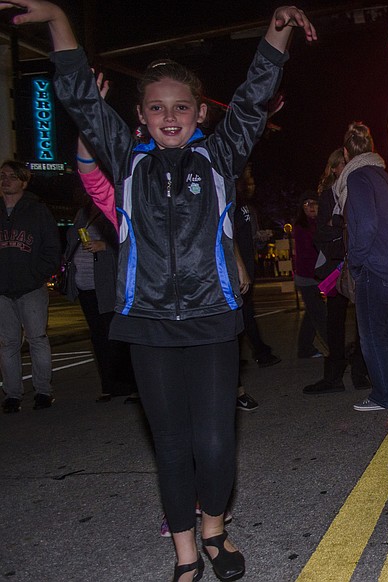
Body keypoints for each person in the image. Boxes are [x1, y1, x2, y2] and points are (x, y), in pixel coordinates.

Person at [11, 2, 317, 581]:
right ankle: (184, 554)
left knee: (216, 442)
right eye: (156, 107)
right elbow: (80, 99)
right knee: (171, 445)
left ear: (199, 112)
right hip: (147, 322)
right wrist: (55, 18)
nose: (169, 116)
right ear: (140, 116)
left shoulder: (220, 156)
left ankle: (214, 530)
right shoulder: (126, 162)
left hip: (212, 317)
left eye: (180, 106)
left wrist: (275, 35)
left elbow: (252, 100)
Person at [335, 122, 388, 411]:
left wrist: (355, 261)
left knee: (371, 334)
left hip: (376, 266)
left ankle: (383, 395)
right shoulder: (382, 175)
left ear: (346, 153)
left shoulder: (357, 177)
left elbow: (365, 226)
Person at [303, 148, 371, 394]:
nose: (347, 166)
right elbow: (321, 233)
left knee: (363, 321)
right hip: (336, 267)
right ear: (333, 168)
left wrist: (339, 224)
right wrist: (341, 225)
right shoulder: (327, 195)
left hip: (359, 263)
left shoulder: (359, 188)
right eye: (343, 163)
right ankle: (333, 376)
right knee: (335, 322)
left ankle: (360, 371)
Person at [62, 192, 138, 403]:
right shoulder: (83, 213)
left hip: (109, 285)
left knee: (118, 336)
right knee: (99, 337)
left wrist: (104, 246)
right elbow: (72, 240)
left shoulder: (116, 208)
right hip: (86, 285)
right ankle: (110, 385)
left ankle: (131, 386)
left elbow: (131, 241)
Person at [0, 160, 61, 413]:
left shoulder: (37, 211)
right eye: (3, 175)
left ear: (23, 182)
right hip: (2, 291)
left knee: (37, 339)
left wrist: (38, 274)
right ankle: (12, 395)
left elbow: (52, 247)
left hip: (31, 287)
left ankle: (43, 391)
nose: (6, 180)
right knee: (8, 343)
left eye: (12, 176)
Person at [234, 167, 282, 371]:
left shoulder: (248, 207)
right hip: (240, 268)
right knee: (243, 311)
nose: (252, 185)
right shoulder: (232, 203)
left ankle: (245, 355)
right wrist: (240, 268)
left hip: (248, 264)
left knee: (243, 311)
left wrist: (260, 238)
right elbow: (230, 238)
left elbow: (250, 239)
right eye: (249, 180)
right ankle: (260, 353)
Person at [292, 190, 329, 358]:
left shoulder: (319, 223)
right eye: (306, 204)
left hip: (316, 276)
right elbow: (309, 252)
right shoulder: (301, 227)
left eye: (314, 203)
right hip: (307, 277)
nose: (311, 207)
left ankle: (304, 348)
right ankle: (337, 351)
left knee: (312, 314)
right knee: (320, 315)